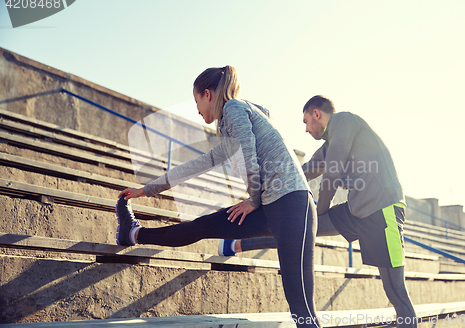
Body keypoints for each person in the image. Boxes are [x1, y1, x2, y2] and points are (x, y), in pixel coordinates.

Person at [115, 66, 322, 328]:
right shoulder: (227, 130)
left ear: (208, 94)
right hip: (271, 206)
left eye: (196, 101)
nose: (197, 109)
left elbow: (250, 159)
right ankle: (133, 234)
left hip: (293, 206)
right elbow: (194, 166)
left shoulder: (235, 109)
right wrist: (145, 190)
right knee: (202, 226)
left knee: (301, 307)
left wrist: (254, 201)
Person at [219, 95, 417, 328]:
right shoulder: (330, 145)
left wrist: (319, 210)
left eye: (305, 121)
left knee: (395, 291)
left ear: (316, 114)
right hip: (358, 210)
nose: (305, 129)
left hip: (383, 210)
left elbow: (331, 174)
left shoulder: (344, 122)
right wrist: (267, 192)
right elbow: (304, 171)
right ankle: (236, 245)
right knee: (296, 229)